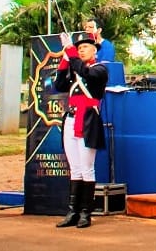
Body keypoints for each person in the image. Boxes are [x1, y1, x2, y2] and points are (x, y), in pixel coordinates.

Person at [54, 31, 108, 229]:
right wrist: (65, 60)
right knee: (75, 168)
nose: (81, 50)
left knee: (87, 168)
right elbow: (59, 85)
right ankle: (73, 211)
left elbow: (87, 74)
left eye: (85, 47)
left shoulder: (100, 69)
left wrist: (71, 51)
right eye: (79, 48)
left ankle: (86, 212)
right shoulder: (75, 69)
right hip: (71, 119)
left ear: (95, 50)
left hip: (88, 121)